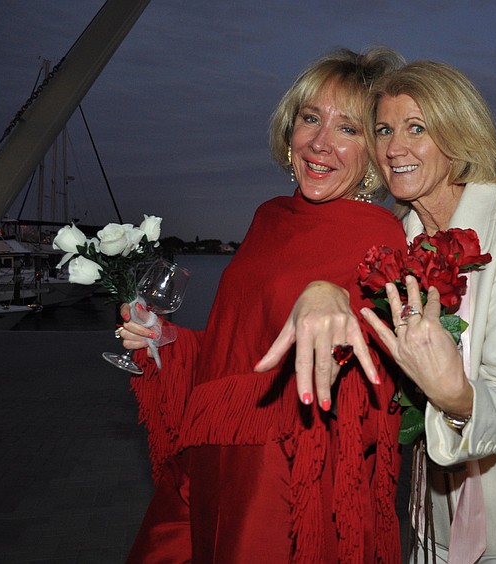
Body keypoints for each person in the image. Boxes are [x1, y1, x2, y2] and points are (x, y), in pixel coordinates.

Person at [259, 61, 496, 563]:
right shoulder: (392, 242)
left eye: (416, 129)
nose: (393, 148)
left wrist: (455, 397)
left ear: (459, 136)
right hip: (434, 518)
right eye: (384, 130)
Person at [116, 47, 408, 563]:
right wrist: (165, 339)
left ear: (372, 154)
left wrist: (333, 305)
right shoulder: (270, 216)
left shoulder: (379, 236)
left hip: (285, 475)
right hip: (213, 456)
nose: (320, 142)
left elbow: (376, 378)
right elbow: (240, 345)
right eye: (310, 118)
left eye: (348, 129)